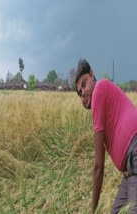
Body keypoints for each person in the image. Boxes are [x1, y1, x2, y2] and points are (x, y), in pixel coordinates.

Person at [75, 59, 137, 214]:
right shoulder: (100, 108)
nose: (83, 94)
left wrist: (93, 210)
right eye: (79, 93)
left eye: (84, 84)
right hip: (129, 169)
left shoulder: (100, 88)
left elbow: (98, 167)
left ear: (91, 75)